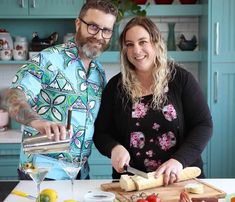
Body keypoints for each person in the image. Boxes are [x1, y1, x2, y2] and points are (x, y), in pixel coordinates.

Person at [2, 0, 118, 180]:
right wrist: (38, 122)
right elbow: (12, 97)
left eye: (106, 30)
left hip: (80, 173)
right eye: (93, 27)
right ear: (78, 24)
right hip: (41, 173)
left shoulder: (99, 73)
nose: (99, 36)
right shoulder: (49, 59)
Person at [93, 16, 213, 185]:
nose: (136, 50)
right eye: (129, 44)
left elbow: (203, 125)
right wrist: (114, 148)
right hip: (133, 183)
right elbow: (101, 133)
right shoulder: (115, 87)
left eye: (143, 42)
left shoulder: (181, 79)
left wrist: (179, 160)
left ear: (156, 43)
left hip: (181, 179)